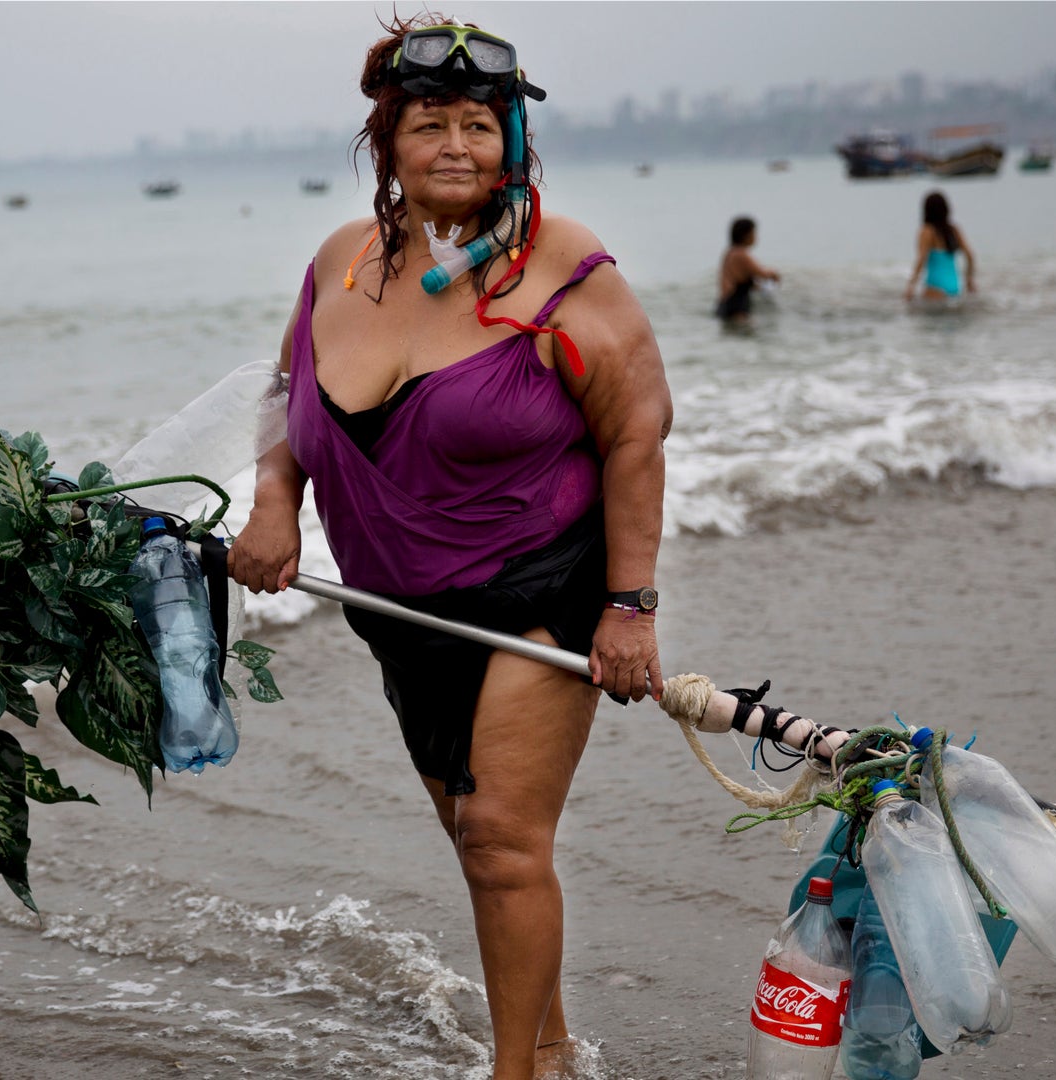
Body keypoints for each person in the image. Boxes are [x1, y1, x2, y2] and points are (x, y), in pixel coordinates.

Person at [227, 15, 672, 1079]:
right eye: (430, 124)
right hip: (398, 611)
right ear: (388, 141)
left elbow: (638, 431)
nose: (457, 146)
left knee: (502, 841)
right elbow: (290, 398)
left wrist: (630, 606)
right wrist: (275, 501)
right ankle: (550, 1049)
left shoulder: (564, 269)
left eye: (480, 124)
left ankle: (517, 1075)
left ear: (512, 140)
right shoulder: (342, 264)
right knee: (481, 848)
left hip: (540, 588)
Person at [906, 190, 976, 302]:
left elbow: (921, 260)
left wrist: (910, 286)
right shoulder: (954, 230)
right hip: (955, 287)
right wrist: (969, 280)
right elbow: (970, 255)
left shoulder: (927, 231)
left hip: (935, 287)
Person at [717, 215, 780, 323]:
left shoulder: (729, 253)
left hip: (725, 303)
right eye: (754, 233)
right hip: (736, 305)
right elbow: (761, 273)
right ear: (746, 235)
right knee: (746, 330)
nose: (756, 237)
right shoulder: (741, 254)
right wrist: (774, 274)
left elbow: (742, 279)